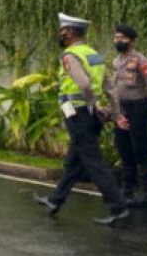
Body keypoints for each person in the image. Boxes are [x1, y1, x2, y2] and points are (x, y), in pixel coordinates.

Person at [33, 13, 129, 226]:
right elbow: (110, 88)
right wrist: (115, 113)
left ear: (70, 32)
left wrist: (92, 105)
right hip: (90, 114)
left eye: (63, 31)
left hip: (78, 113)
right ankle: (55, 200)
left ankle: (118, 206)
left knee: (93, 162)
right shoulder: (94, 54)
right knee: (74, 161)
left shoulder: (71, 56)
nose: (61, 35)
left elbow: (85, 85)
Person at [106, 24, 147, 209]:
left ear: (133, 40)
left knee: (141, 151)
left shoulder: (141, 61)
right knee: (124, 150)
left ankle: (145, 194)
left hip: (139, 108)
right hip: (121, 110)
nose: (118, 41)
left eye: (122, 38)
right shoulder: (116, 61)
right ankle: (126, 191)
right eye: (116, 37)